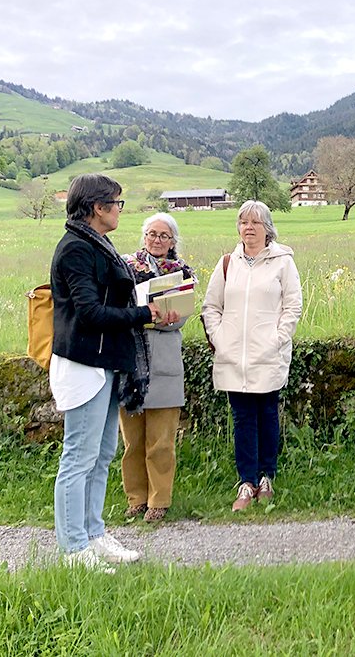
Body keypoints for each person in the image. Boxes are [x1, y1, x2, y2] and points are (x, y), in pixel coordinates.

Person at [49, 173, 178, 571]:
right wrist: (144, 314)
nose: (120, 210)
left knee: (102, 454)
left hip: (105, 363)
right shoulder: (75, 249)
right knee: (79, 457)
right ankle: (74, 549)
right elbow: (89, 312)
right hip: (84, 364)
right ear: (97, 207)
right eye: (116, 203)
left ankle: (94, 534)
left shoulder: (97, 244)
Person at [201, 200, 302, 512]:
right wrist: (219, 338)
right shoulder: (227, 264)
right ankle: (246, 481)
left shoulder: (282, 262)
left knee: (267, 415)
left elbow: (293, 306)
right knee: (242, 418)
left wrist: (277, 339)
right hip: (234, 356)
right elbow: (211, 306)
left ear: (267, 228)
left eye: (255, 223)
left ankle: (266, 477)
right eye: (244, 222)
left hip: (268, 354)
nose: (249, 228)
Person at [120, 213, 195, 523]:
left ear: (173, 240)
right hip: (130, 364)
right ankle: (136, 498)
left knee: (161, 442)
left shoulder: (182, 273)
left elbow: (180, 317)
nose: (157, 240)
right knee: (132, 442)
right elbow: (117, 310)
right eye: (152, 233)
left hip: (165, 364)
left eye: (164, 235)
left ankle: (159, 500)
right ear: (144, 236)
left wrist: (145, 318)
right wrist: (146, 316)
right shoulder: (125, 268)